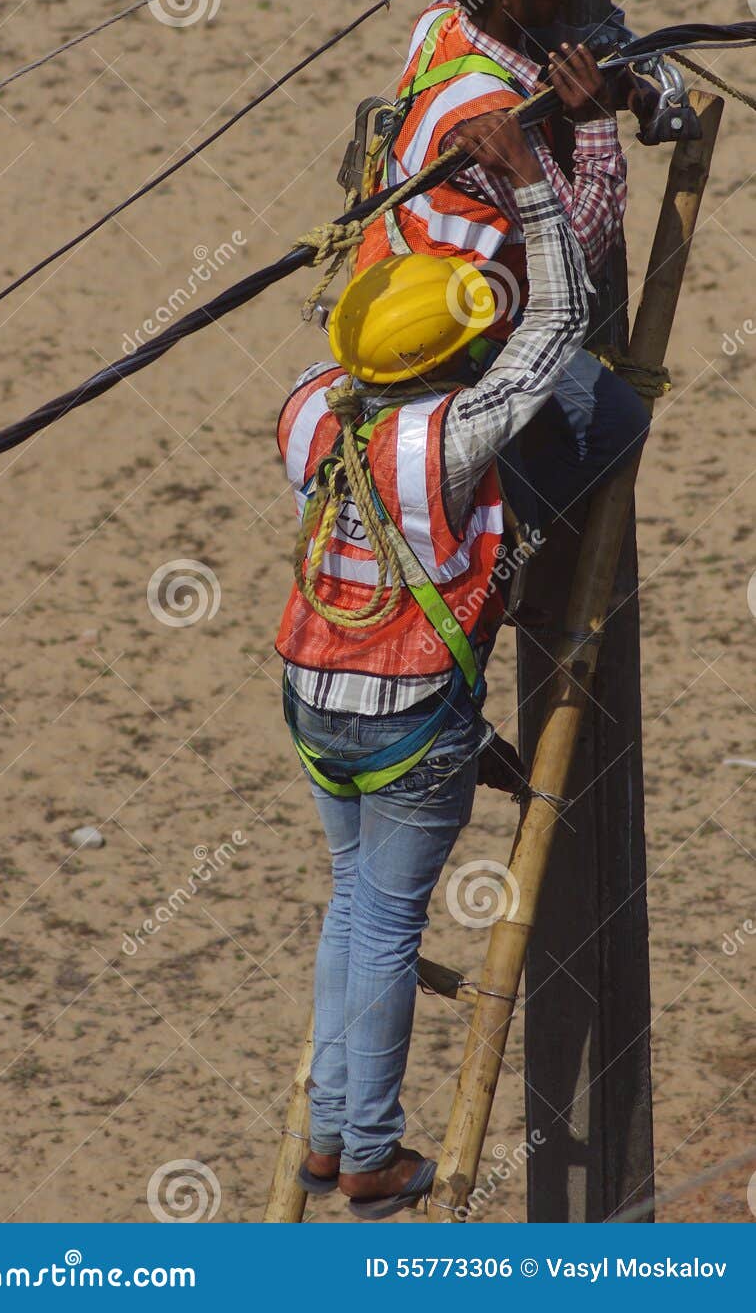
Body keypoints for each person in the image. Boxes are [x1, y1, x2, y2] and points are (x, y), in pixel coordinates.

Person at [275, 107, 590, 1219]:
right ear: (448, 362)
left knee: (352, 905)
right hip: (409, 717)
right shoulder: (446, 440)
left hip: (313, 696)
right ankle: (367, 1149)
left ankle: (326, 1136)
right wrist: (534, 187)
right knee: (385, 926)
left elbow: (356, 332)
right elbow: (559, 326)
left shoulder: (310, 408)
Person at [356, 0, 650, 533]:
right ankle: (507, 536)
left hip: (405, 282)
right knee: (614, 421)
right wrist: (593, 121)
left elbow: (520, 46)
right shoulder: (490, 122)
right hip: (462, 327)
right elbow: (579, 252)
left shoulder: (441, 24)